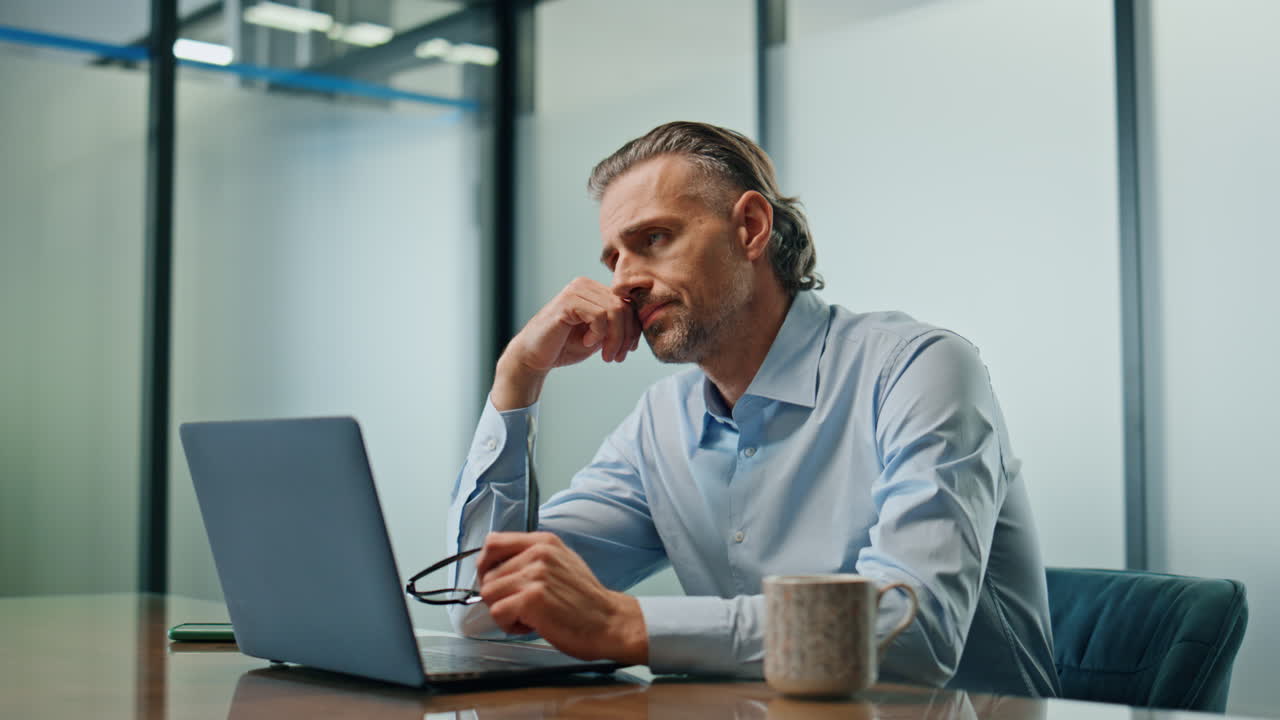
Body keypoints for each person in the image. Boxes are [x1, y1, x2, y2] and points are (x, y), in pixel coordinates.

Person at [445, 121, 1060, 696]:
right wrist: (516, 379)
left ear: (751, 229)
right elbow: (484, 608)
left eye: (653, 239)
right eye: (614, 259)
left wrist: (627, 625)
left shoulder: (919, 368)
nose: (624, 281)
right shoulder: (660, 423)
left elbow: (913, 633)